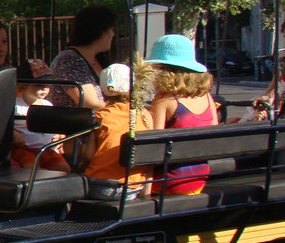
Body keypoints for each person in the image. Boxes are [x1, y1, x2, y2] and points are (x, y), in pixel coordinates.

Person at [147, 34, 218, 194]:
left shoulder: (163, 99)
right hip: (198, 179)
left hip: (170, 181)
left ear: (164, 69)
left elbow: (153, 145)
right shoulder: (207, 96)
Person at [81, 63, 153, 200]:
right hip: (133, 187)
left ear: (102, 91)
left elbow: (89, 155)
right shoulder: (145, 115)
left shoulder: (99, 116)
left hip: (102, 186)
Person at [49, 5, 117, 109]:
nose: (113, 34)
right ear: (100, 31)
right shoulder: (68, 60)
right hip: (76, 123)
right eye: (111, 29)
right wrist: (124, 109)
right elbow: (90, 103)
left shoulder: (100, 59)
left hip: (106, 121)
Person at [11, 59, 70, 172]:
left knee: (65, 170)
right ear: (22, 86)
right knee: (32, 172)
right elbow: (2, 125)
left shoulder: (48, 105)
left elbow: (54, 125)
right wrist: (13, 133)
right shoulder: (14, 105)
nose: (44, 88)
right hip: (26, 149)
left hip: (48, 149)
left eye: (47, 84)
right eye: (39, 85)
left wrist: (58, 134)